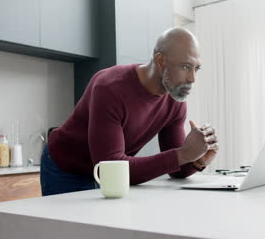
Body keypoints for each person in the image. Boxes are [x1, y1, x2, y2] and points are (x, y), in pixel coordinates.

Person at [40, 27, 219, 196]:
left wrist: (199, 159)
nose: (192, 78)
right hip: (65, 167)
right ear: (161, 61)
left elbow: (176, 168)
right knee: (68, 230)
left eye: (197, 68)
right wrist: (184, 153)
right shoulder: (109, 88)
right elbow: (108, 168)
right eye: (186, 66)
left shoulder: (175, 99)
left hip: (106, 170)